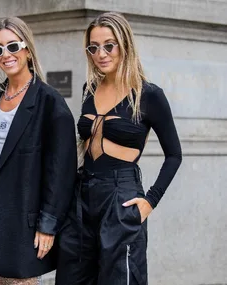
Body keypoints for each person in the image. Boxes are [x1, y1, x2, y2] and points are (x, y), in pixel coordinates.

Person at [56, 12, 182, 285]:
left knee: (120, 278)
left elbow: (174, 155)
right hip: (82, 196)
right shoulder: (89, 88)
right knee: (71, 278)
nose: (100, 53)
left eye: (109, 45)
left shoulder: (149, 95)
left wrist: (150, 201)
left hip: (120, 197)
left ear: (125, 44)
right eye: (93, 47)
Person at [0, 17, 77, 285]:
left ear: (27, 48)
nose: (6, 55)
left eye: (13, 46)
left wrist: (48, 225)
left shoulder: (50, 101)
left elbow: (61, 170)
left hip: (23, 217)